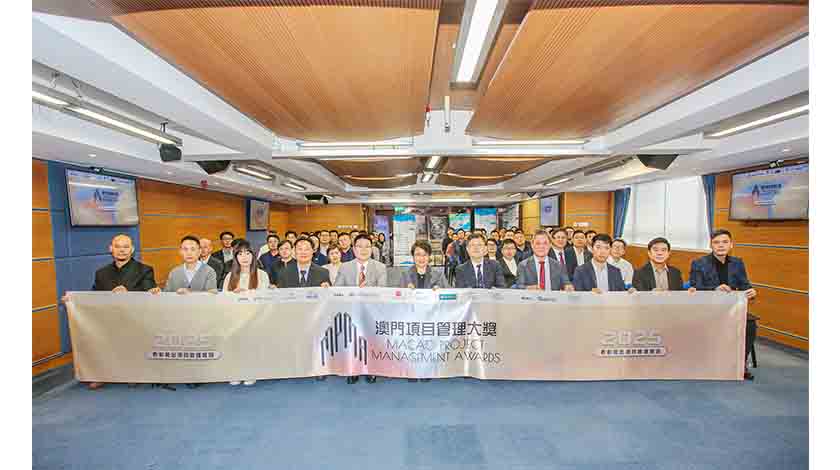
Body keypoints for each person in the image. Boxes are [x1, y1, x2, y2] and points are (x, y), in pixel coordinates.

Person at [61, 234, 157, 390]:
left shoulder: (145, 270)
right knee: (98, 338)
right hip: (107, 320)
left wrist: (128, 292)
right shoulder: (102, 273)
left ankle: (133, 373)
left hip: (134, 320)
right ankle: (102, 374)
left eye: (126, 247)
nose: (122, 250)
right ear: (111, 249)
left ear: (132, 249)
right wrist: (74, 300)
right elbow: (94, 296)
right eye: (118, 246)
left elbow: (150, 294)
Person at [689, 229, 758, 380]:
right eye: (716, 242)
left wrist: (751, 291)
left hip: (732, 309)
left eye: (725, 242)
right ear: (711, 245)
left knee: (750, 324)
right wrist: (715, 289)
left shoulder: (737, 263)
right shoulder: (699, 263)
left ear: (731, 245)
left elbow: (745, 285)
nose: (721, 245)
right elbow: (695, 288)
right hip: (708, 309)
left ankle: (740, 364)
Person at [334, 233, 388, 384]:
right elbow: (336, 290)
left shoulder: (380, 267)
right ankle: (353, 368)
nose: (363, 250)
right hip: (350, 311)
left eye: (367, 247)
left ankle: (371, 368)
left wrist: (366, 291)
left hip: (372, 311)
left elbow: (382, 291)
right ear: (354, 249)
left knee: (371, 336)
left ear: (372, 249)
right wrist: (354, 292)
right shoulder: (345, 267)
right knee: (351, 337)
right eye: (360, 246)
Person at [222, 241, 269, 386]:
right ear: (235, 257)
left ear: (253, 256)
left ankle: (250, 372)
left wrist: (248, 294)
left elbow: (265, 298)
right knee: (235, 346)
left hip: (255, 318)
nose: (244, 257)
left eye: (247, 253)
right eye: (240, 254)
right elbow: (223, 299)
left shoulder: (262, 275)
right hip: (235, 318)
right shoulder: (230, 276)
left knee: (251, 346)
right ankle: (235, 372)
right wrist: (233, 295)